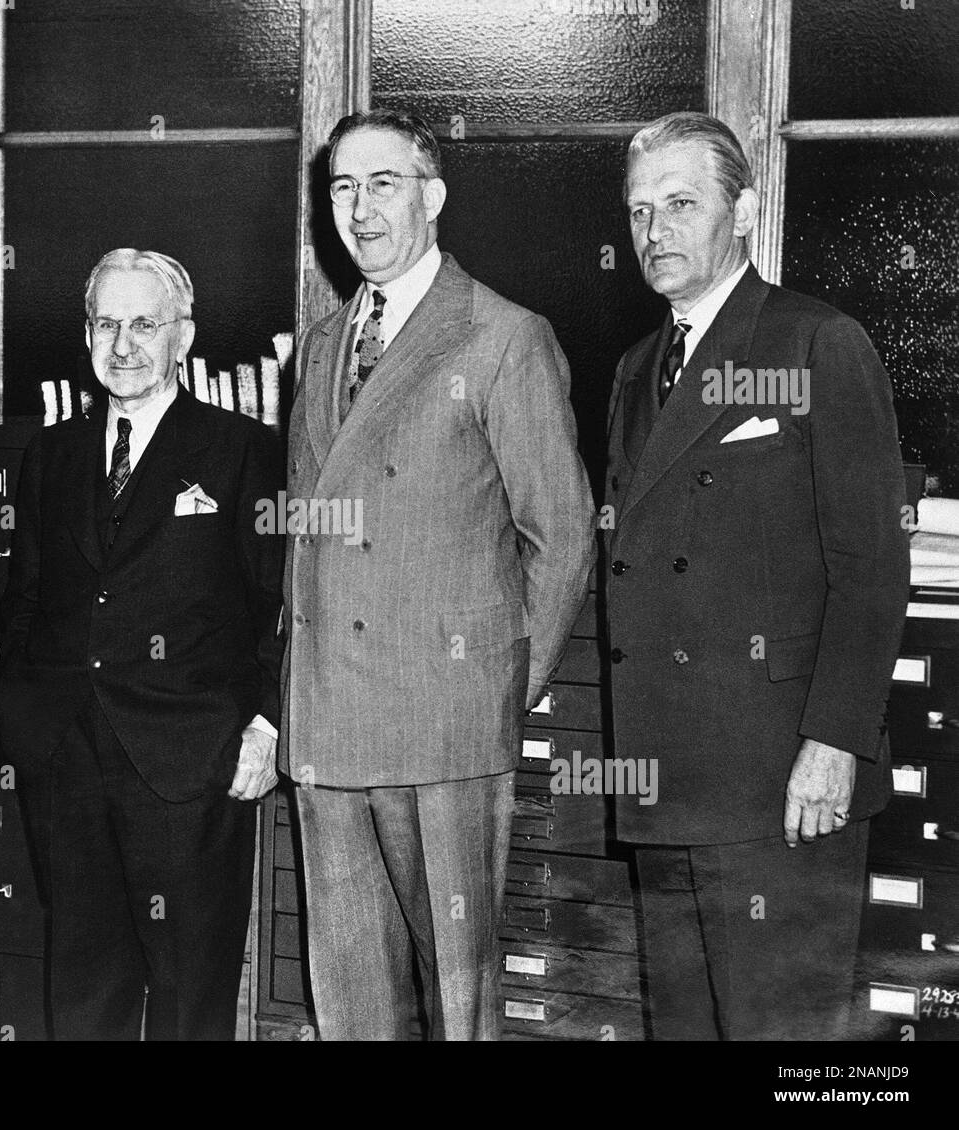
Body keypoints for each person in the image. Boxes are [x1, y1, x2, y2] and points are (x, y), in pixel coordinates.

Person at [280, 109, 596, 1040]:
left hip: (446, 726)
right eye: (342, 187)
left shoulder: (502, 336)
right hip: (333, 723)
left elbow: (564, 535)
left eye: (384, 184)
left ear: (434, 197)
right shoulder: (325, 342)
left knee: (459, 1003)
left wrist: (497, 688)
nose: (361, 208)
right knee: (351, 1004)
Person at [606, 111, 910, 1040]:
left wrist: (834, 743)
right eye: (639, 210)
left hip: (780, 782)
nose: (654, 232)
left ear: (743, 212)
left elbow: (870, 564)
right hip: (665, 783)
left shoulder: (817, 342)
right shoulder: (630, 371)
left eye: (681, 204)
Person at [0, 249, 284, 1040]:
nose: (124, 345)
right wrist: (27, 717)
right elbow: (25, 601)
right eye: (106, 323)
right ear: (86, 333)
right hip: (68, 758)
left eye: (145, 324)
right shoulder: (52, 454)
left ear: (183, 336)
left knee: (191, 994)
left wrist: (267, 726)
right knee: (84, 987)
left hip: (188, 762)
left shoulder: (243, 451)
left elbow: (282, 605)